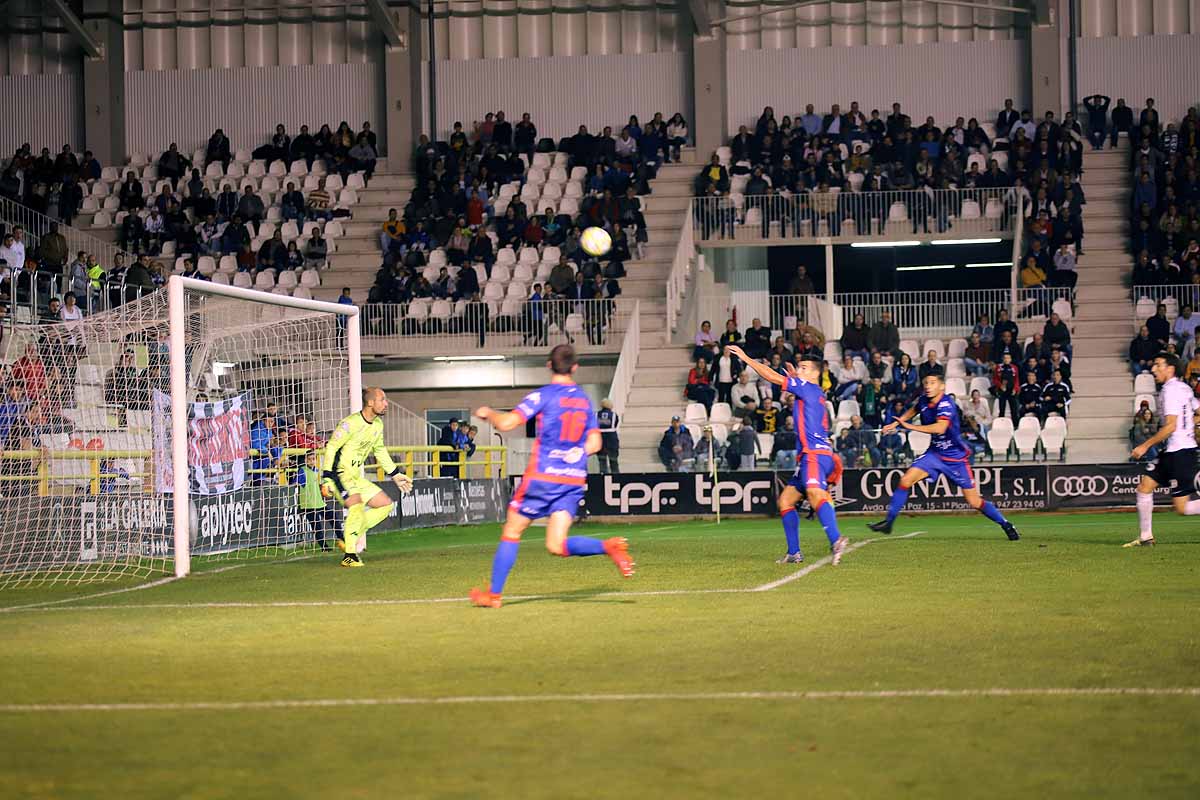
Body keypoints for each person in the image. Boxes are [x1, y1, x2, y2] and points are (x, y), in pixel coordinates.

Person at [470, 345, 634, 607]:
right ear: (575, 367)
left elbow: (508, 423)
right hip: (572, 480)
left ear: (549, 365)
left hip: (543, 478)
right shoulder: (583, 400)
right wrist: (577, 452)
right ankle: (608, 546)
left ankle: (493, 595)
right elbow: (595, 443)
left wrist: (488, 413)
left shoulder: (544, 395)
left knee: (512, 529)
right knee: (556, 545)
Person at [726, 344, 848, 566]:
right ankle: (794, 553)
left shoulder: (807, 387)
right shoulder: (815, 392)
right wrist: (796, 378)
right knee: (785, 501)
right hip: (814, 455)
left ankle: (836, 539)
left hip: (815, 454)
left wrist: (747, 358)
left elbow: (772, 376)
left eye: (803, 367)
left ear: (814, 373)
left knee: (813, 492)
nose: (799, 371)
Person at [869, 372, 1021, 540]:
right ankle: (888, 523)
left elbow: (940, 428)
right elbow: (914, 410)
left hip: (955, 458)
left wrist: (908, 426)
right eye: (926, 382)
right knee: (905, 480)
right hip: (934, 453)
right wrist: (896, 422)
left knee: (974, 501)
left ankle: (1005, 524)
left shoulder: (946, 404)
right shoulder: (923, 400)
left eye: (932, 382)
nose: (928, 385)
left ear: (942, 386)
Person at [321, 387, 414, 566]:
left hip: (355, 477)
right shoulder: (350, 423)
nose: (386, 404)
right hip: (338, 474)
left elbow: (379, 450)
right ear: (370, 402)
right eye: (382, 400)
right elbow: (332, 446)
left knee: (385, 505)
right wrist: (326, 478)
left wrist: (395, 474)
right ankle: (350, 555)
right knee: (355, 506)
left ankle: (350, 536)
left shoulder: (378, 424)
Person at [1126, 354, 1200, 546]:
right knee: (1144, 487)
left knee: (1182, 508)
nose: (1153, 369)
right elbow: (1196, 410)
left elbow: (1170, 427)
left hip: (1181, 452)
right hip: (1173, 451)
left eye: (1158, 365)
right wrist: (1190, 425)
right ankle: (1145, 537)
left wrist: (1144, 445)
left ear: (1170, 369)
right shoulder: (1184, 388)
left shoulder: (1170, 391)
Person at [294, 449, 333, 551]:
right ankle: (324, 547)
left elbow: (320, 484)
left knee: (333, 517)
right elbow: (295, 483)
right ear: (306, 460)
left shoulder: (316, 470)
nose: (312, 461)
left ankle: (342, 539)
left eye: (313, 459)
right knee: (317, 527)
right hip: (308, 505)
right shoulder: (302, 471)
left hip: (319, 503)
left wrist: (326, 488)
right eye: (309, 459)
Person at [596, 398, 620, 474]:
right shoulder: (614, 415)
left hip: (600, 441)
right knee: (614, 462)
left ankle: (603, 479)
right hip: (612, 440)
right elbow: (615, 425)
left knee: (602, 462)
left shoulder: (596, 415)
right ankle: (616, 479)